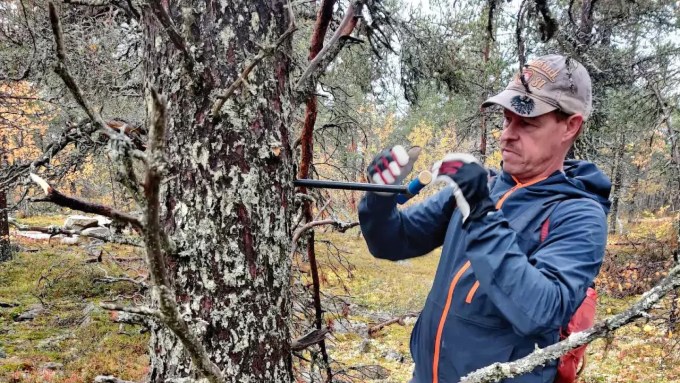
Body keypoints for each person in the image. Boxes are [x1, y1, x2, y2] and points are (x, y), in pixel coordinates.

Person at [359, 54, 611, 383]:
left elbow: (540, 311)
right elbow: (393, 241)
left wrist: (480, 213)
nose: (506, 134)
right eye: (506, 120)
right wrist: (379, 198)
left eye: (527, 123)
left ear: (570, 126)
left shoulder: (579, 214)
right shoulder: (484, 186)